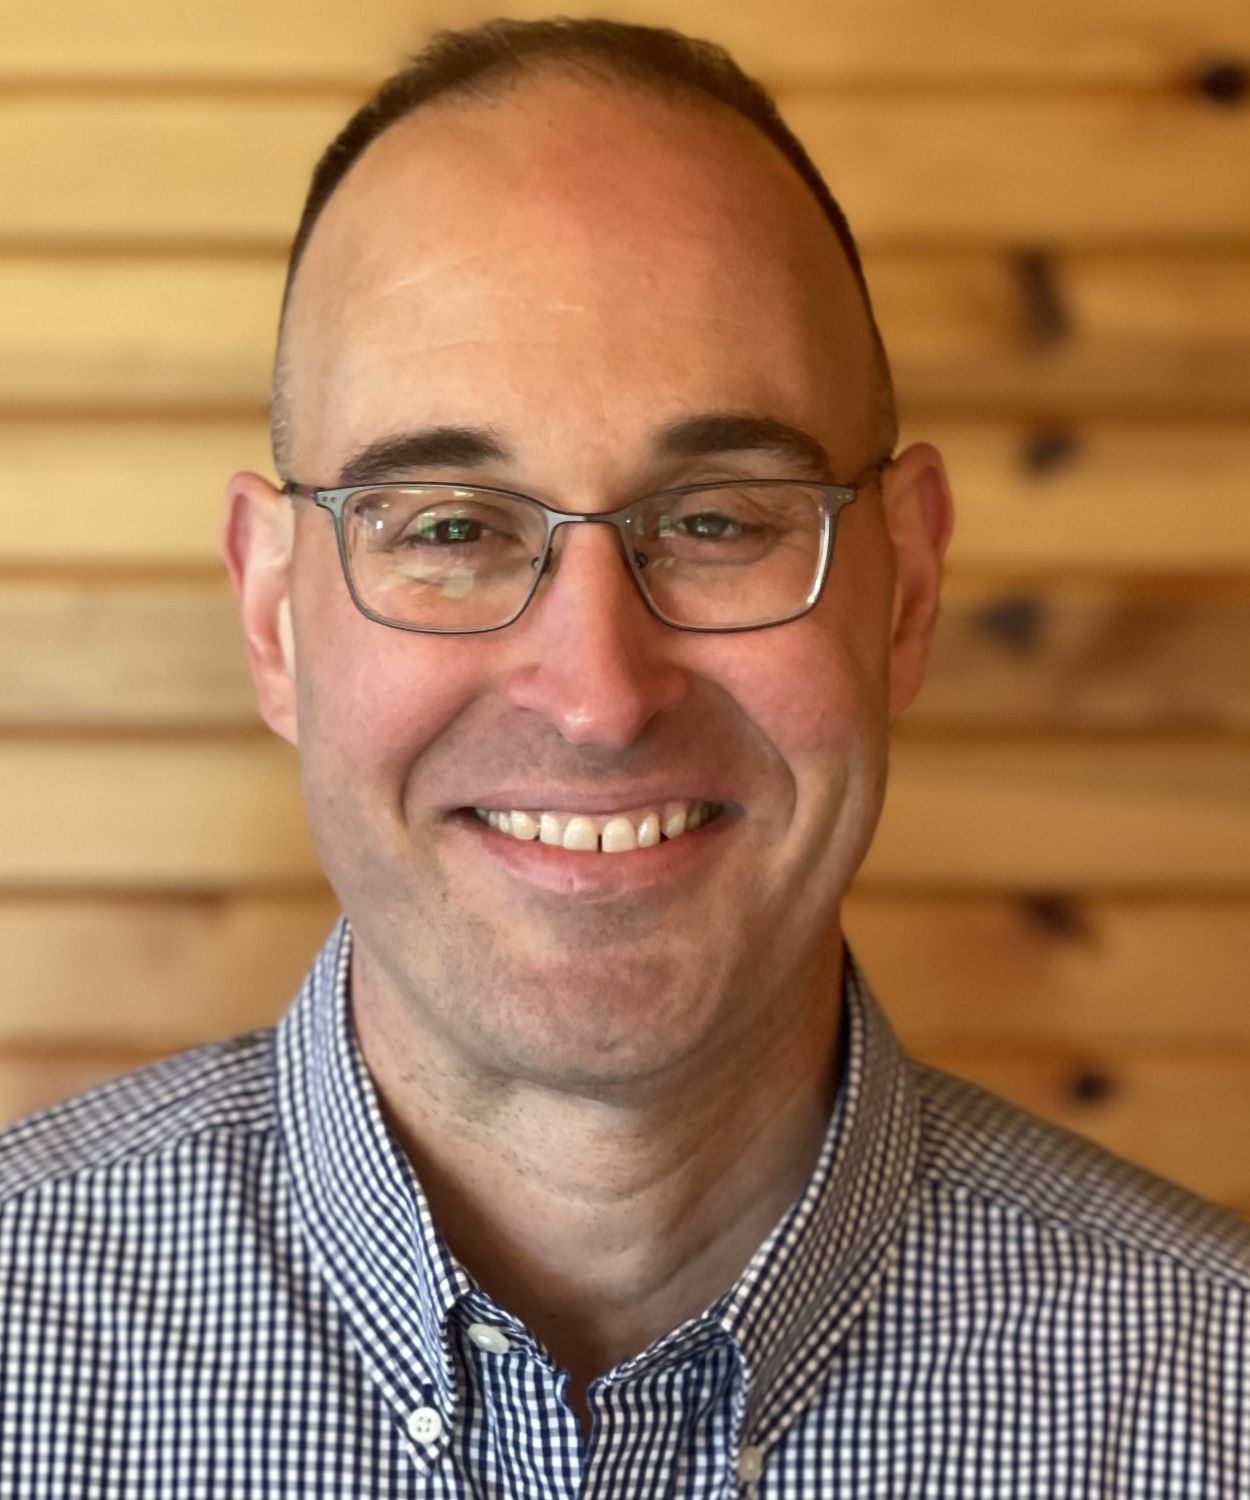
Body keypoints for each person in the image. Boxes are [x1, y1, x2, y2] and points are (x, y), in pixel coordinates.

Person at [2, 17, 1246, 1499]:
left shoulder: (1212, 1398)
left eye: (718, 519)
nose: (598, 695)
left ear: (902, 590)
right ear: (275, 618)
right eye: (452, 528)